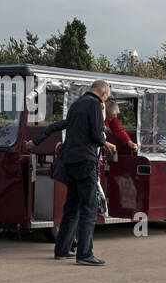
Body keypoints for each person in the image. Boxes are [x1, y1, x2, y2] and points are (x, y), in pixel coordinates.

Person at [35, 80, 115, 265]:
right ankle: (85, 254)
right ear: (103, 93)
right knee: (89, 208)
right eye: (106, 98)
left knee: (72, 207)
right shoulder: (95, 104)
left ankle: (62, 249)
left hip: (70, 161)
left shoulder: (76, 104)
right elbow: (96, 134)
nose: (105, 101)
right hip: (85, 162)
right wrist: (104, 140)